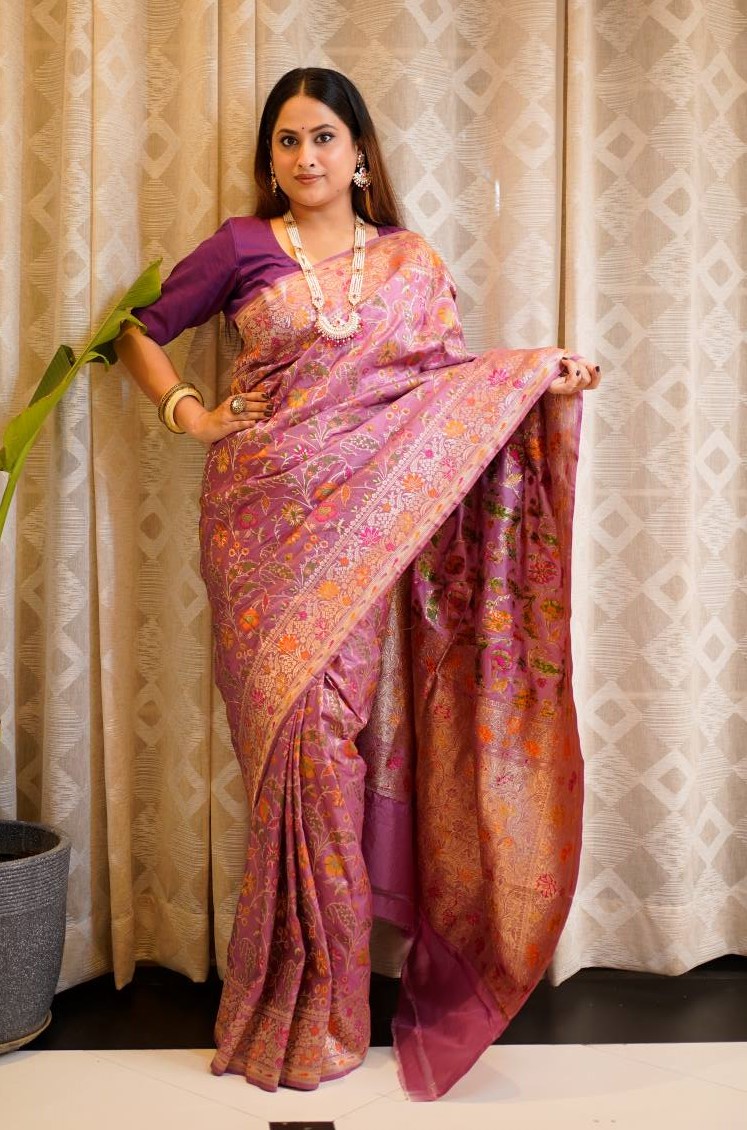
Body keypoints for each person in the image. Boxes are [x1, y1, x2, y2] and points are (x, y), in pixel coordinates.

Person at [115, 66, 600, 1101]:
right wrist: (192, 415)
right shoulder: (240, 248)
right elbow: (136, 332)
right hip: (257, 527)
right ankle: (288, 994)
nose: (306, 157)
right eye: (287, 141)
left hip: (359, 533)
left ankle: (327, 1002)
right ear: (270, 158)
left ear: (360, 153)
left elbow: (441, 393)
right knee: (287, 748)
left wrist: (537, 377)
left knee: (329, 740)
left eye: (323, 137)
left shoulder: (408, 262)